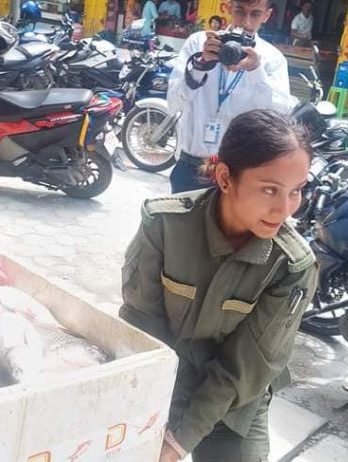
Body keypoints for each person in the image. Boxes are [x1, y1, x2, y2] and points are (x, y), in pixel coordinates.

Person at [120, 109, 319, 462]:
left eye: (296, 191)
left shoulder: (291, 266)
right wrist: (159, 418)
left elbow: (243, 367)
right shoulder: (164, 225)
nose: (284, 209)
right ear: (225, 177)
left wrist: (178, 440)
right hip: (158, 379)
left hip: (233, 400)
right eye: (270, 189)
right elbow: (142, 325)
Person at [166, 0, 295, 193]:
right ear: (229, 8)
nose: (246, 22)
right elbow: (173, 103)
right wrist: (200, 65)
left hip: (237, 174)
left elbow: (281, 115)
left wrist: (256, 72)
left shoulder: (272, 59)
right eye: (240, 11)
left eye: (255, 14)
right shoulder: (198, 43)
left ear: (267, 15)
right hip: (191, 166)